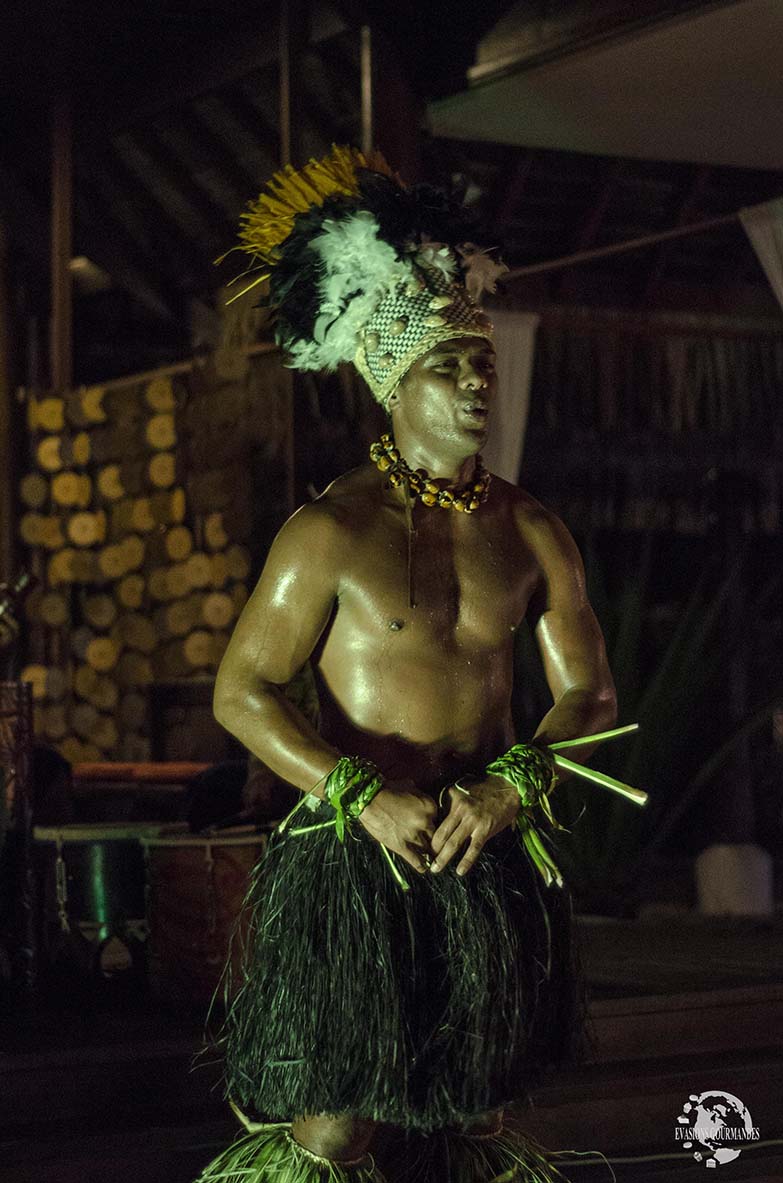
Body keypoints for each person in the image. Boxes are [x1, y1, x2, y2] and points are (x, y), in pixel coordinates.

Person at [197, 147, 618, 1183]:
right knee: (337, 1122)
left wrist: (515, 785)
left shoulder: (533, 529)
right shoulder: (328, 530)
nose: (477, 380)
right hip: (359, 847)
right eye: (448, 366)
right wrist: (360, 793)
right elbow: (239, 691)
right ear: (392, 383)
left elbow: (588, 693)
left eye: (482, 362)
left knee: (475, 1108)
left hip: (485, 840)